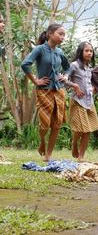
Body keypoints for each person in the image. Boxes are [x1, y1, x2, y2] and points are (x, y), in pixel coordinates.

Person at [21, 23, 70, 162]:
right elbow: (25, 64)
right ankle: (42, 140)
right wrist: (35, 81)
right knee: (44, 123)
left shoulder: (60, 52)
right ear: (50, 34)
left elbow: (68, 68)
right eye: (60, 34)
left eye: (64, 35)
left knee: (57, 124)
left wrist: (65, 76)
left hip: (59, 91)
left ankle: (48, 154)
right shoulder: (40, 49)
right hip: (44, 91)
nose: (62, 37)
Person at [64, 41, 98, 162]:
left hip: (89, 101)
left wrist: (93, 89)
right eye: (87, 51)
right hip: (78, 101)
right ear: (81, 52)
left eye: (91, 51)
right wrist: (74, 85)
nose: (89, 53)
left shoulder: (90, 68)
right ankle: (74, 142)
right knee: (81, 129)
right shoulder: (74, 65)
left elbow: (91, 82)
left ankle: (81, 157)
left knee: (88, 129)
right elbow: (63, 79)